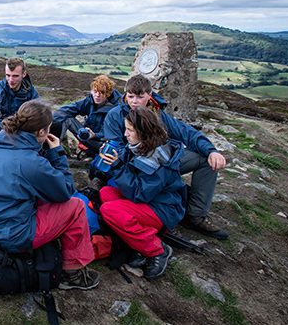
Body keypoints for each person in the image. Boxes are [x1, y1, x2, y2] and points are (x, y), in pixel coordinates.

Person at [0, 100, 100, 290]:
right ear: (41, 132)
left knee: (43, 199)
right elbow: (65, 191)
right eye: (47, 129)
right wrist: (57, 153)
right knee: (76, 207)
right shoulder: (30, 162)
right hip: (10, 235)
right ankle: (72, 273)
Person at [102, 74, 228, 239]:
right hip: (135, 167)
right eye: (131, 96)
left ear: (150, 95)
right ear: (125, 95)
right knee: (126, 189)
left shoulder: (158, 114)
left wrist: (211, 150)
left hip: (160, 162)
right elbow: (115, 148)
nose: (134, 101)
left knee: (205, 159)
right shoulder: (116, 115)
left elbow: (186, 132)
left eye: (140, 97)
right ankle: (160, 207)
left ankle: (195, 215)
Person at [98, 107, 186, 280]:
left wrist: (116, 167)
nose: (125, 134)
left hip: (163, 209)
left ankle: (157, 250)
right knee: (106, 193)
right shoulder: (140, 146)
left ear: (143, 131)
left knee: (109, 210)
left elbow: (140, 193)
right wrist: (113, 156)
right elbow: (129, 168)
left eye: (130, 130)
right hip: (149, 202)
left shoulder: (159, 159)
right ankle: (136, 242)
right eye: (126, 128)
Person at [52, 74, 121, 156]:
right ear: (91, 91)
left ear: (108, 94)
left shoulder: (115, 109)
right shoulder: (90, 101)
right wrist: (49, 120)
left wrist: (95, 135)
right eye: (95, 92)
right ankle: (54, 149)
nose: (97, 95)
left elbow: (110, 133)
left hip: (102, 143)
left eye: (102, 92)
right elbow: (70, 109)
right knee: (65, 118)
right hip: (86, 135)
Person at [0, 57, 39, 144]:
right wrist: (10, 128)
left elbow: (36, 115)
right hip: (2, 128)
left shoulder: (31, 92)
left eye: (15, 76)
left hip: (24, 129)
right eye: (8, 75)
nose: (11, 80)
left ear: (24, 74)